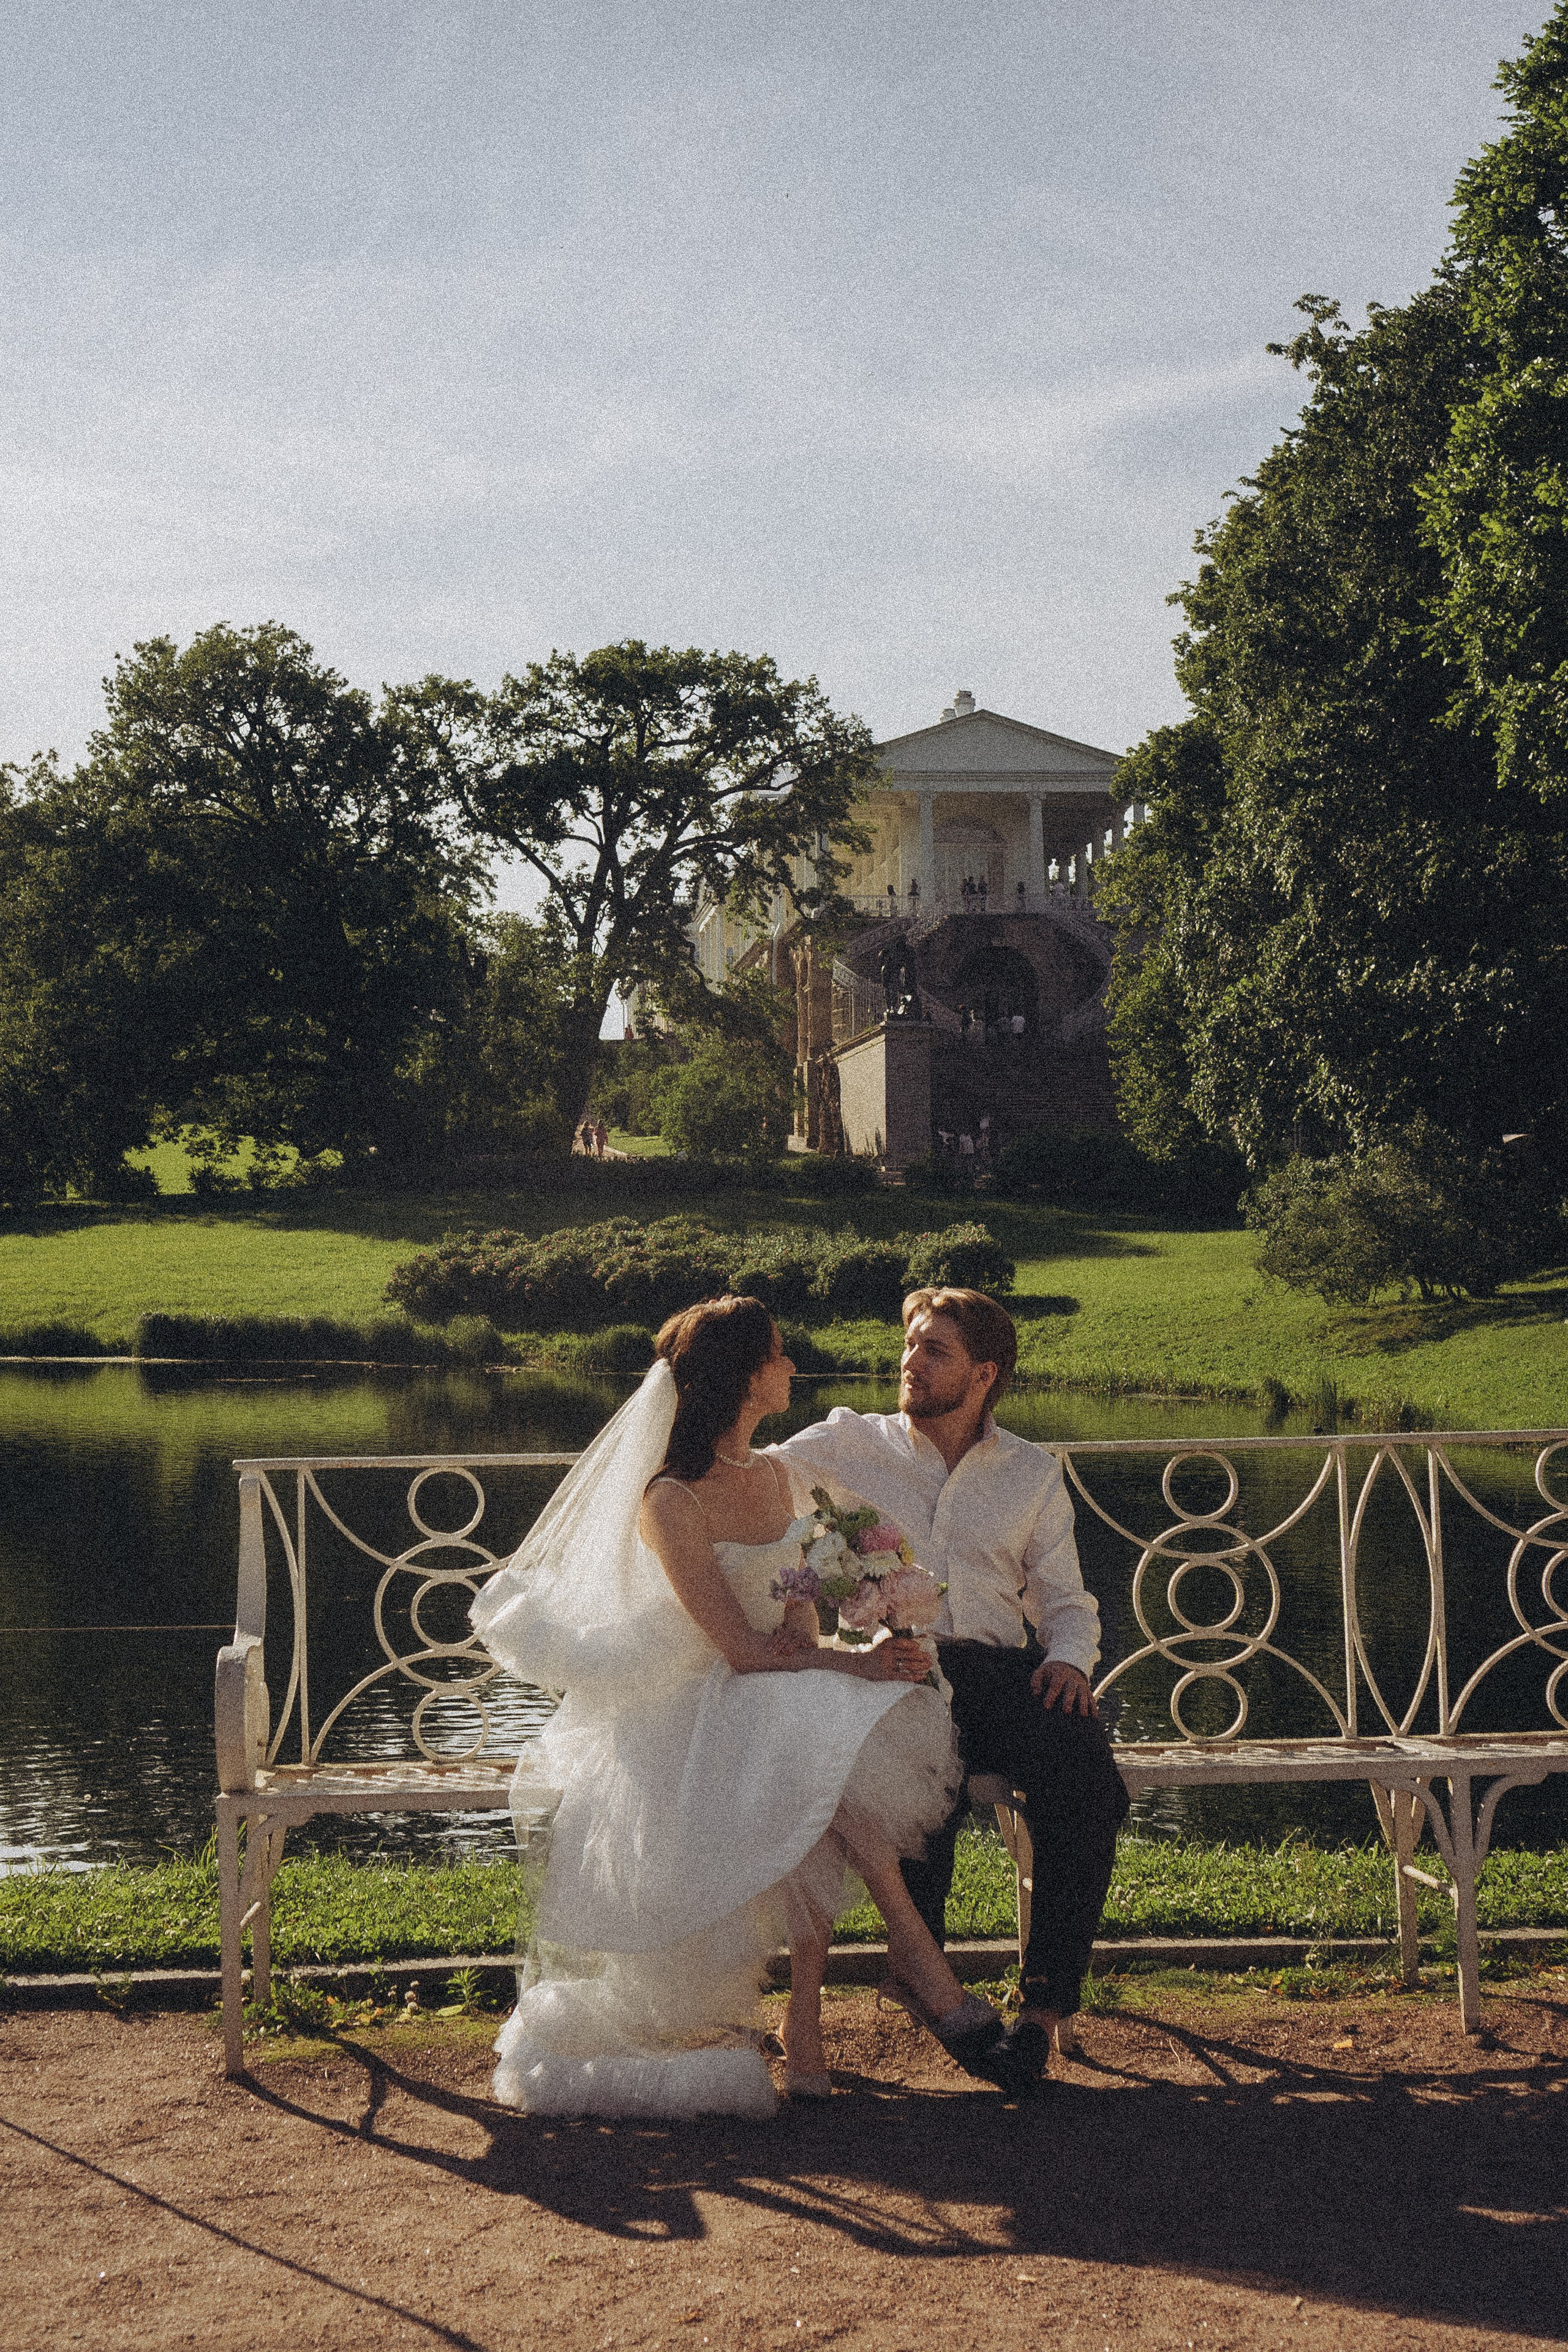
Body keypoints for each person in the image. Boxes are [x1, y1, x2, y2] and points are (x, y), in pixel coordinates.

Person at [471, 1295, 1020, 2120]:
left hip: (778, 1685)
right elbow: (738, 1649)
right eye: (778, 1353)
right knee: (824, 1745)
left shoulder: (774, 1476)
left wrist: (861, 1642)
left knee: (826, 1742)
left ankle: (824, 2016)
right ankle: (917, 1984)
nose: (792, 1365)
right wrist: (854, 1668)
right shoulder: (670, 1501)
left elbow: (795, 1611)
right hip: (694, 1705)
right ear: (740, 1377)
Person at [769, 1287, 1131, 2090]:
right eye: (909, 1344)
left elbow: (1065, 1602)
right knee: (915, 1777)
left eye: (934, 1350)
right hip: (892, 1671)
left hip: (1003, 1670)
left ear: (983, 1373)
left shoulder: (1031, 1472)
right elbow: (745, 1480)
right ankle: (925, 1979)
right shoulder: (842, 1444)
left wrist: (1070, 1661)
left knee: (1089, 1783)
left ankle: (1041, 2012)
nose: (910, 1361)